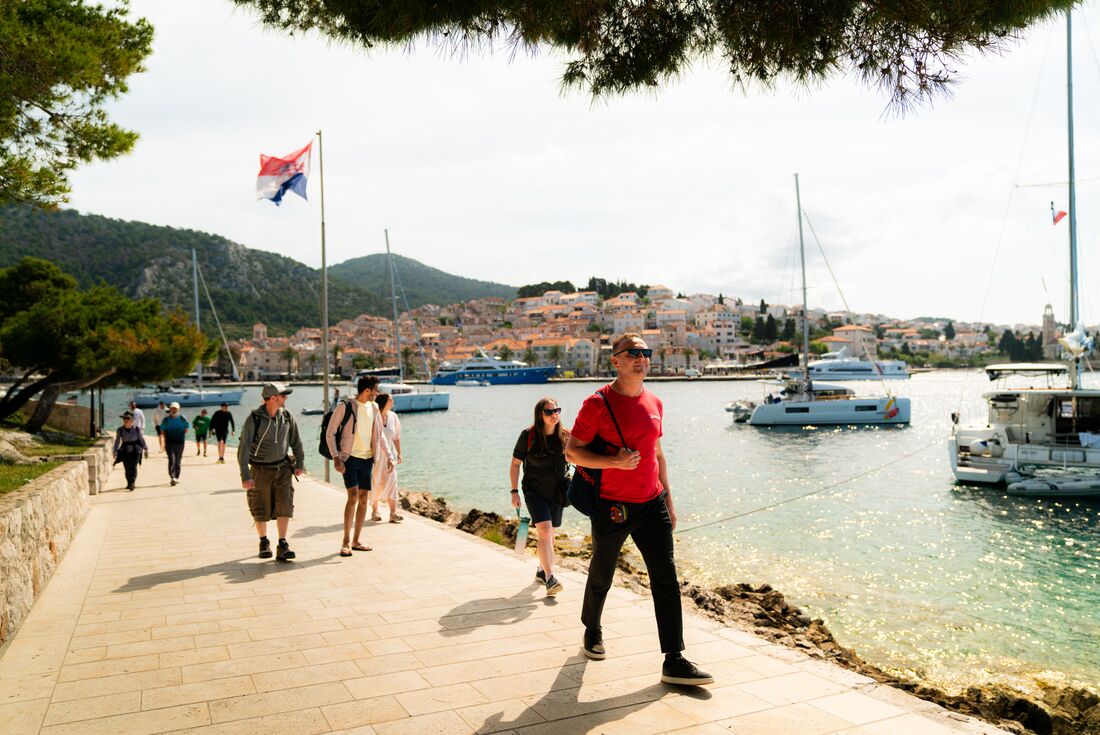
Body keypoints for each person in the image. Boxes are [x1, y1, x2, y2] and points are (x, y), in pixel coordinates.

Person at [565, 333, 714, 686]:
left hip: (652, 503)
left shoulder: (655, 402)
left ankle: (674, 658)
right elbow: (573, 452)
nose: (642, 358)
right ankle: (592, 629)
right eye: (633, 353)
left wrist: (669, 500)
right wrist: (613, 462)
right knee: (602, 572)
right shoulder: (597, 404)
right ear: (615, 360)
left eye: (646, 352)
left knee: (666, 578)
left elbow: (658, 454)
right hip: (613, 506)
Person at [326, 375, 394, 557]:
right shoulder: (345, 406)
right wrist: (336, 457)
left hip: (368, 459)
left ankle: (356, 540)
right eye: (375, 390)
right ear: (367, 391)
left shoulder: (374, 408)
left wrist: (389, 456)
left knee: (364, 498)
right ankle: (346, 541)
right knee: (353, 496)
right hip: (349, 458)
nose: (377, 393)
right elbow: (330, 433)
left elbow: (379, 436)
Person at [238, 382, 305, 562]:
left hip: (283, 469)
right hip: (259, 470)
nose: (286, 398)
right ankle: (263, 541)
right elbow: (243, 448)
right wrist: (245, 475)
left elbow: (296, 441)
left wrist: (300, 463)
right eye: (283, 395)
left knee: (285, 504)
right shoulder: (254, 419)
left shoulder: (288, 416)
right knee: (260, 507)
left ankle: (282, 544)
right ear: (273, 398)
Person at [510, 397, 569, 596]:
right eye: (549, 412)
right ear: (539, 415)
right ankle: (551, 578)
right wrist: (514, 491)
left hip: (558, 492)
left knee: (550, 534)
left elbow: (581, 457)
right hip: (534, 490)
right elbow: (515, 464)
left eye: (556, 410)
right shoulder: (528, 435)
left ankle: (542, 569)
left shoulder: (565, 436)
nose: (554, 415)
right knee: (544, 531)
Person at [371, 393, 403, 524]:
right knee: (375, 482)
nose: (393, 401)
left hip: (391, 456)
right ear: (385, 401)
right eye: (391, 400)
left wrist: (399, 453)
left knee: (393, 482)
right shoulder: (374, 415)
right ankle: (375, 511)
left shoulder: (393, 416)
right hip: (376, 456)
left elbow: (396, 437)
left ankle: (393, 513)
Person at [112, 411, 148, 491]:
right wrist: (115, 451)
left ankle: (132, 483)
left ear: (132, 420)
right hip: (125, 449)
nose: (126, 420)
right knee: (127, 467)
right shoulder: (120, 430)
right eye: (124, 418)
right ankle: (129, 483)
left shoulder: (137, 429)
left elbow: (141, 439)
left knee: (133, 466)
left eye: (128, 418)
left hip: (136, 450)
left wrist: (145, 448)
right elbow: (117, 441)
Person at [159, 402, 189, 486]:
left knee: (178, 461)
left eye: (175, 408)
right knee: (172, 459)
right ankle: (172, 477)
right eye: (172, 408)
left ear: (178, 409)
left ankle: (176, 477)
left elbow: (186, 429)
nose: (174, 410)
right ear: (170, 409)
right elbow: (162, 430)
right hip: (169, 443)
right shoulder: (166, 419)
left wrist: (179, 434)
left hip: (180, 442)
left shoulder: (182, 418)